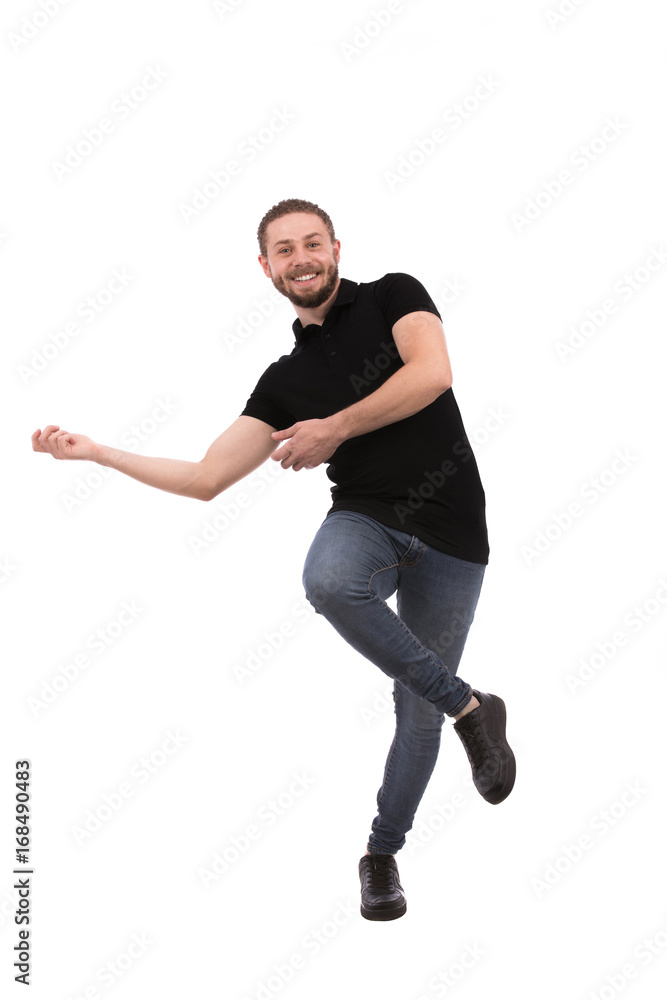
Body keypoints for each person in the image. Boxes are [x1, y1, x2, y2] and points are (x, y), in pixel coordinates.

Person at [32, 197, 515, 922]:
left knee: (416, 714)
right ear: (266, 268)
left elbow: (432, 374)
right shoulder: (282, 381)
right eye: (284, 250)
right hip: (368, 520)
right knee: (329, 580)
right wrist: (99, 453)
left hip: (454, 534)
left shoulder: (394, 295)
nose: (301, 258)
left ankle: (381, 852)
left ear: (336, 249)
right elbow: (205, 478)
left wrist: (334, 428)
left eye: (312, 243)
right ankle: (471, 709)